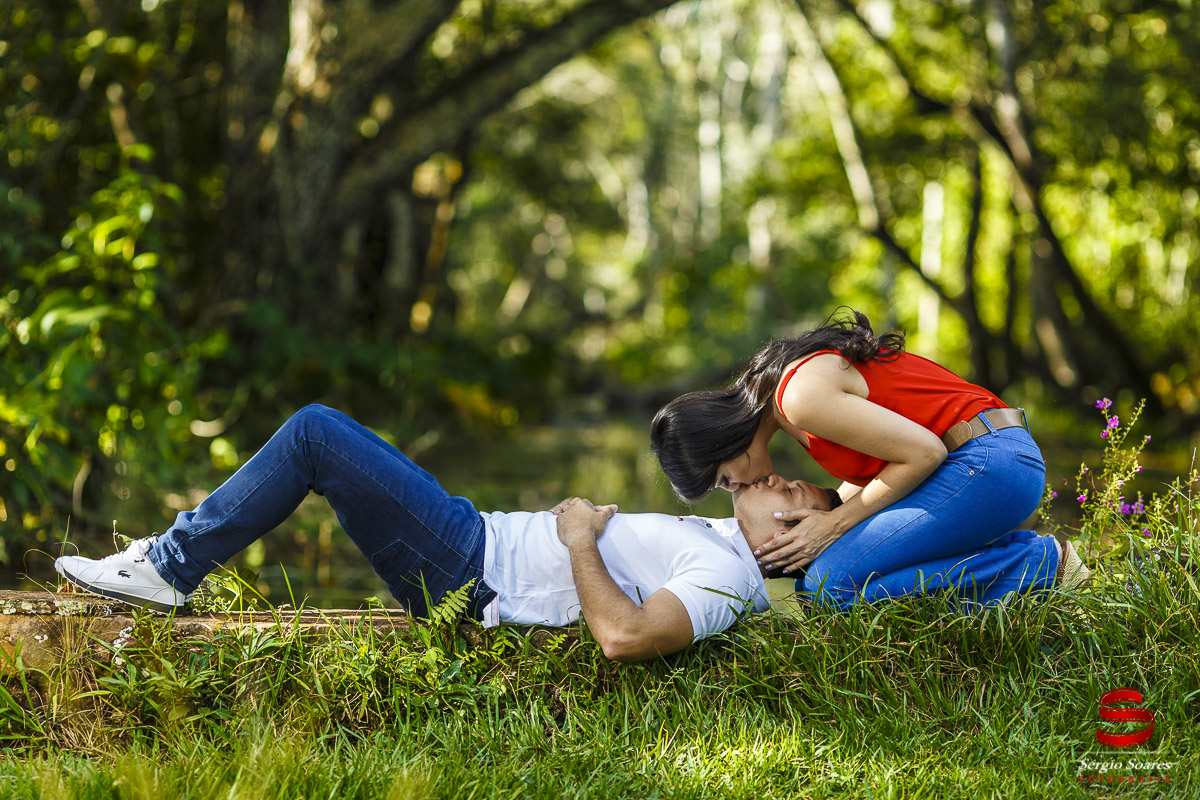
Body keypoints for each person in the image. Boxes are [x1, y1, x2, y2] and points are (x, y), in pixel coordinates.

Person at [55, 405, 836, 663]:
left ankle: (168, 565)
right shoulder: (723, 538)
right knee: (329, 435)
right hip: (474, 538)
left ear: (787, 546)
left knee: (317, 434)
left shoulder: (729, 579)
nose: (780, 479)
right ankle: (168, 561)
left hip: (472, 569)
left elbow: (627, 638)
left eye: (795, 496)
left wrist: (578, 541)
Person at [650, 309, 1090, 611]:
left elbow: (925, 452)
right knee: (815, 585)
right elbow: (885, 472)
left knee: (830, 586)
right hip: (983, 464)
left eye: (727, 481)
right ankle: (1024, 563)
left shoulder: (798, 397)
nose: (741, 490)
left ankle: (1040, 566)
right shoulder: (789, 410)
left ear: (723, 442)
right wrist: (821, 521)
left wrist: (836, 525)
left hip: (989, 461)